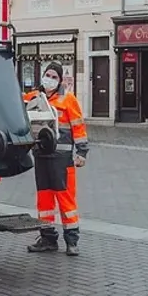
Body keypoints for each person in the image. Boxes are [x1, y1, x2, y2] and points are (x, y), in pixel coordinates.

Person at [23, 62, 88, 256]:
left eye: (54, 77)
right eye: (48, 75)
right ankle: (48, 239)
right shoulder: (33, 97)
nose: (49, 79)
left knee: (66, 200)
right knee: (44, 201)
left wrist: (82, 152)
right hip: (41, 156)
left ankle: (72, 241)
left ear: (59, 80)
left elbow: (78, 127)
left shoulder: (68, 99)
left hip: (62, 159)